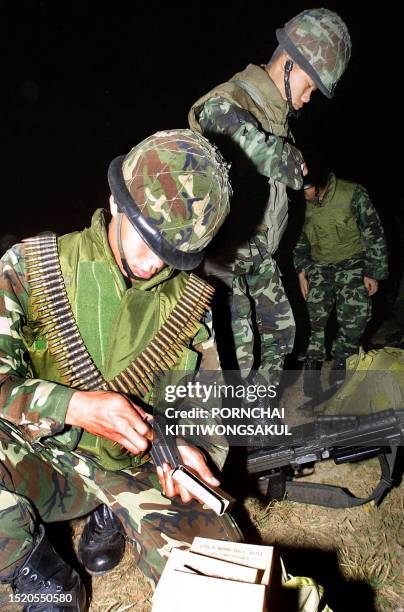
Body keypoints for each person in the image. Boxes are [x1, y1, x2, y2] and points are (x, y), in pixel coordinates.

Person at [0, 129, 243, 610]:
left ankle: (111, 514)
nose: (154, 264)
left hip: (137, 467)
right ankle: (32, 567)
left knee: (226, 578)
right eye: (148, 240)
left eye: (172, 254)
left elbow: (209, 417)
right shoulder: (31, 266)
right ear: (115, 203)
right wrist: (74, 404)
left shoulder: (190, 307)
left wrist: (183, 449)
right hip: (39, 456)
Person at [188, 8, 351, 379]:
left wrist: (300, 266)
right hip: (220, 261)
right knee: (234, 357)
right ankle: (218, 433)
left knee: (281, 337)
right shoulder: (232, 100)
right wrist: (293, 163)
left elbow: (283, 215)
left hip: (260, 259)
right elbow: (228, 128)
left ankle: (258, 427)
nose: (309, 98)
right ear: (289, 63)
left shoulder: (278, 125)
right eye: (310, 86)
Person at [294, 171, 389, 394]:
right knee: (313, 317)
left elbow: (373, 233)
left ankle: (342, 362)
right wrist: (301, 272)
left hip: (353, 261)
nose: (303, 196)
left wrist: (372, 272)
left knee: (355, 317)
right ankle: (312, 366)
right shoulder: (301, 200)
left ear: (319, 183)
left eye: (306, 190)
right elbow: (299, 238)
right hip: (320, 264)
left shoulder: (352, 193)